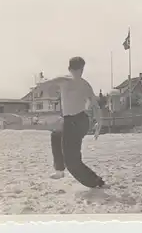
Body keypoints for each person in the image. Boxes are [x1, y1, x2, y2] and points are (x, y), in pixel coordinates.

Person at [48, 56, 106, 188]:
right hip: (74, 121)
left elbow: (95, 105)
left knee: (72, 161)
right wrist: (98, 124)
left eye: (80, 70)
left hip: (77, 121)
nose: (78, 74)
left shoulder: (78, 83)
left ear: (82, 69)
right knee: (56, 135)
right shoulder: (68, 81)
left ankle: (97, 182)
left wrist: (99, 124)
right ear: (70, 69)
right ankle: (59, 170)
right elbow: (49, 83)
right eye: (76, 70)